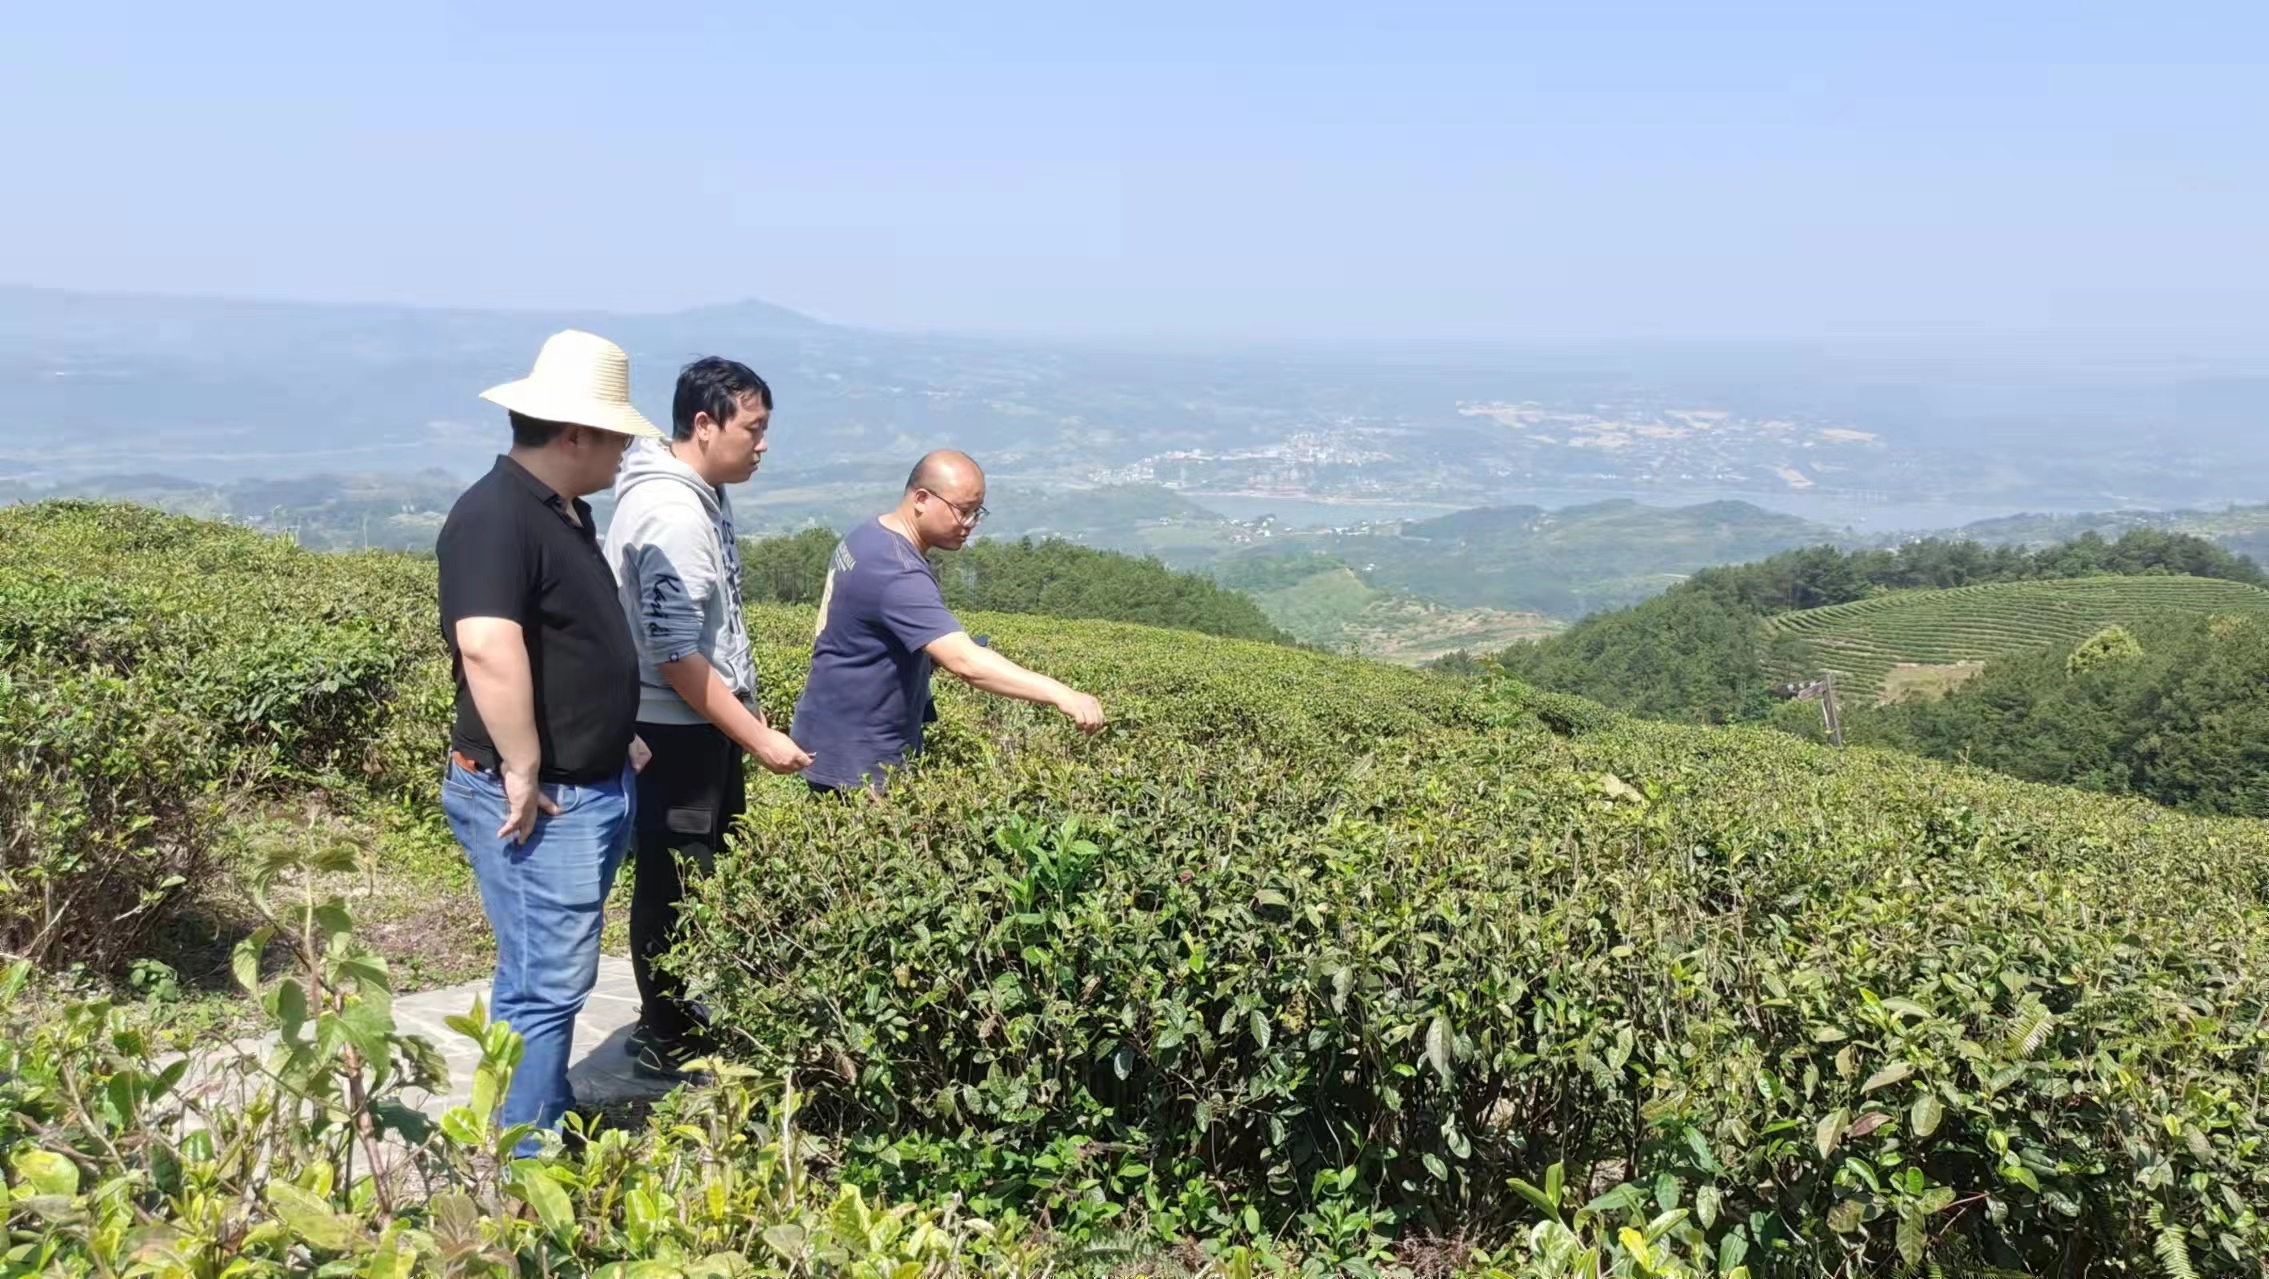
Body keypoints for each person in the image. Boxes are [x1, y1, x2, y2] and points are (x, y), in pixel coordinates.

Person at [435, 329, 661, 1146]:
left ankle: (542, 1108)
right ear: (575, 433)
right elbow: (488, 644)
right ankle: (522, 1152)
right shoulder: (495, 517)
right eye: (618, 434)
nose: (626, 449)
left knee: (551, 970)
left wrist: (615, 732)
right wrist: (524, 765)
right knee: (545, 978)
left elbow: (565, 642)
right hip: (546, 796)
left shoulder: (560, 511)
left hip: (587, 778)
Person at [605, 357, 812, 1082]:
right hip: (674, 730)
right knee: (672, 882)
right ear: (704, 423)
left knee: (693, 877)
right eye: (752, 429)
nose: (762, 445)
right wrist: (757, 737)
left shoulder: (702, 493)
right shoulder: (673, 513)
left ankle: (676, 1014)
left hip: (699, 725)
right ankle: (662, 1030)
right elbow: (675, 656)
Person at [794, 449, 1106, 793]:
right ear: (922, 499)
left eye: (978, 512)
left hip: (831, 733)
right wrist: (1063, 694)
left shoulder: (869, 534)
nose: (970, 524)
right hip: (860, 761)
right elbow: (967, 664)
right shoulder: (897, 570)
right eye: (963, 511)